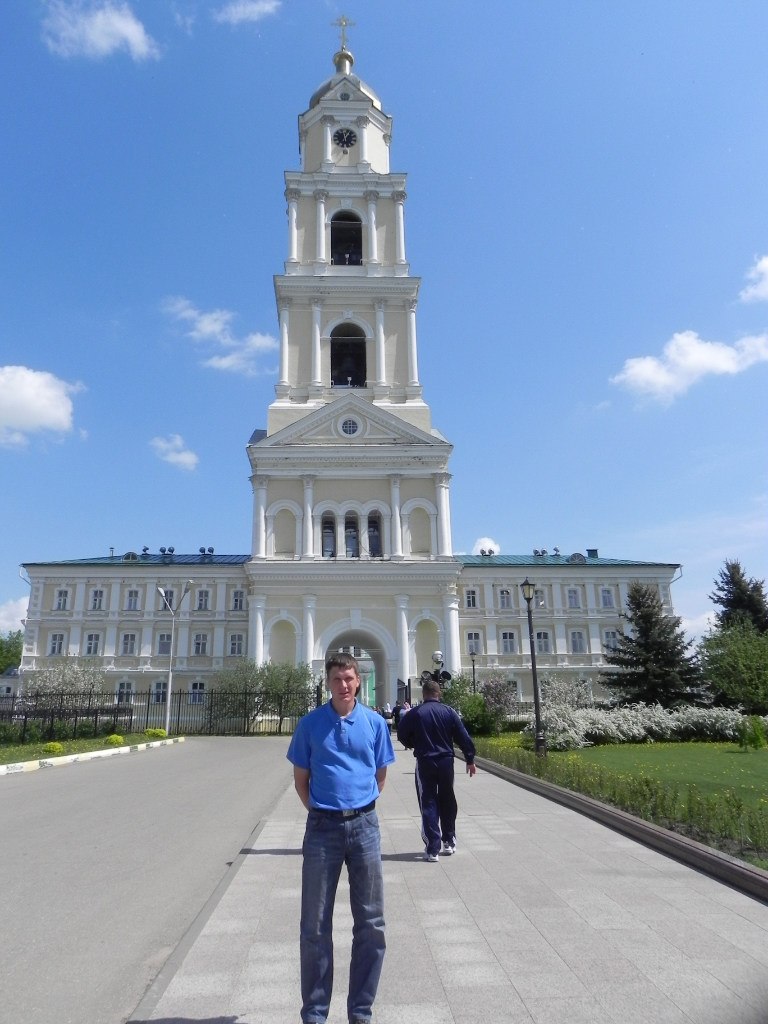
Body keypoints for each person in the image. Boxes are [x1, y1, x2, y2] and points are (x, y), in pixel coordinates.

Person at [287, 652, 396, 1024]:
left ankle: (361, 1012)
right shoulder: (310, 724)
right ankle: (315, 1015)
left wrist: (358, 807)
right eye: (337, 679)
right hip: (322, 829)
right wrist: (324, 811)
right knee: (314, 925)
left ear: (359, 681)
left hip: (364, 826)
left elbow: (380, 776)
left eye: (350, 679)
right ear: (328, 682)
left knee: (371, 924)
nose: (344, 685)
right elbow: (301, 781)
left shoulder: (375, 723)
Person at [396, 676, 476, 861]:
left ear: (424, 695)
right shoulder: (449, 712)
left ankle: (433, 847)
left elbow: (401, 734)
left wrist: (413, 743)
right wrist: (470, 759)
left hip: (425, 761)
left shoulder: (415, 713)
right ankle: (449, 841)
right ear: (438, 694)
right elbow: (463, 736)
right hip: (446, 761)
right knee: (448, 798)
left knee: (428, 801)